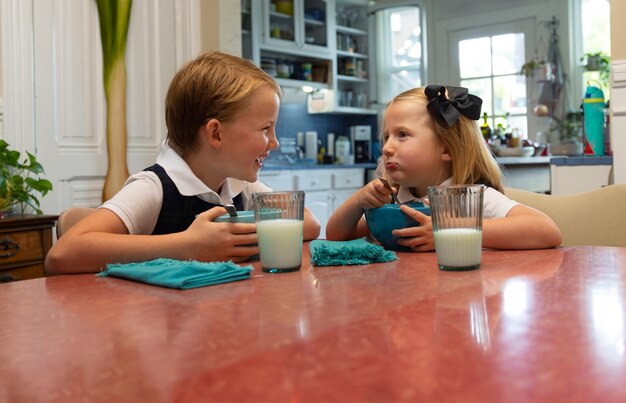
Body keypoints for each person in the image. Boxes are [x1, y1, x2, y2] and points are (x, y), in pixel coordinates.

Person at [46, 51, 321, 273]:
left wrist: (235, 238)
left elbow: (309, 222)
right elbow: (62, 254)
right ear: (215, 133)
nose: (274, 143)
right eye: (265, 129)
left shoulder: (238, 186)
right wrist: (188, 245)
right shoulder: (154, 188)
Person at [325, 85, 561, 250]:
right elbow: (336, 236)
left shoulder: (468, 197)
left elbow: (546, 230)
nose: (386, 147)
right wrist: (358, 201)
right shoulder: (399, 199)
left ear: (446, 148)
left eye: (402, 135)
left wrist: (449, 231)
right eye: (386, 137)